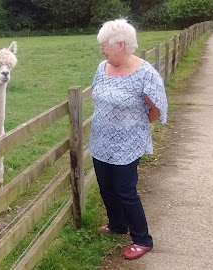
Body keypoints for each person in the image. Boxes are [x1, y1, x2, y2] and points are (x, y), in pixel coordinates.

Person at [89, 18, 168, 260]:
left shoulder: (145, 74)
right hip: (100, 141)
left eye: (105, 45)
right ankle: (117, 224)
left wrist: (133, 127)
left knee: (125, 191)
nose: (101, 49)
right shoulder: (102, 68)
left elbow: (157, 109)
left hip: (127, 144)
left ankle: (142, 239)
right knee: (106, 188)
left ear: (121, 44)